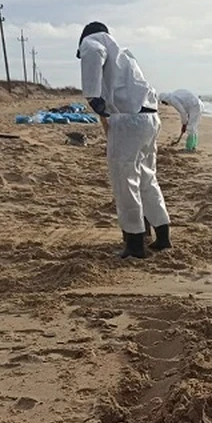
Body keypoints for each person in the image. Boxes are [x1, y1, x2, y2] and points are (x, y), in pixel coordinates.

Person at [77, 21, 172, 259]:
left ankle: (135, 243)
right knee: (147, 178)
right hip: (150, 118)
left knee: (125, 180)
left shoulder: (93, 42)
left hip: (127, 120)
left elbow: (92, 52)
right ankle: (162, 235)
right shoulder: (124, 56)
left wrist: (93, 96)